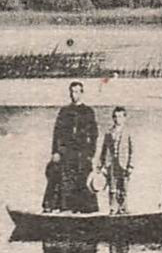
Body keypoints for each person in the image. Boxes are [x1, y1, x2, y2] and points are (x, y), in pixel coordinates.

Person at [49, 80, 99, 213]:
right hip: (67, 153)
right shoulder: (64, 111)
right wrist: (55, 152)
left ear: (82, 93)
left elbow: (94, 135)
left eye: (76, 92)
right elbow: (57, 132)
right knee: (66, 181)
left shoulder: (88, 111)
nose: (73, 94)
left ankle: (87, 212)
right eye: (72, 92)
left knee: (84, 181)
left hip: (82, 153)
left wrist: (91, 153)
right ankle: (66, 210)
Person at [98, 106, 135, 215]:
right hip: (111, 164)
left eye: (120, 116)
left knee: (123, 187)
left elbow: (132, 151)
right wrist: (102, 166)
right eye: (115, 116)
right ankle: (113, 208)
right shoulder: (109, 133)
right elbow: (104, 151)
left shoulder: (128, 133)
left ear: (124, 118)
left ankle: (123, 208)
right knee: (112, 187)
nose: (117, 119)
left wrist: (130, 166)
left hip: (123, 164)